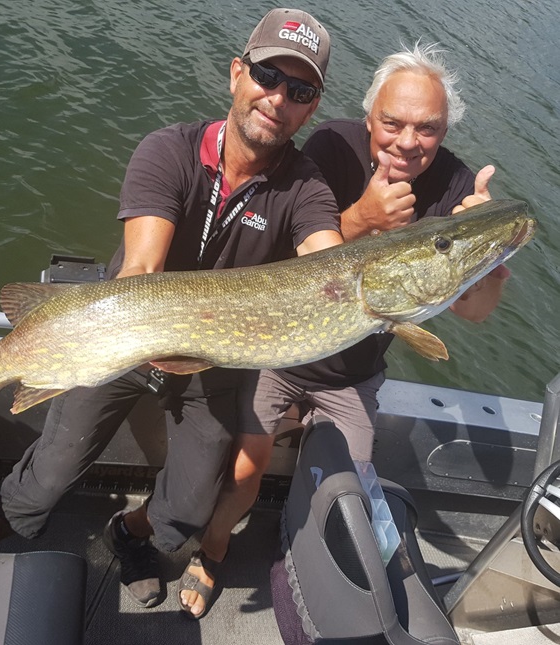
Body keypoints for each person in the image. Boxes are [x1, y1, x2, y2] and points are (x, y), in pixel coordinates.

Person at [0, 7, 344, 617]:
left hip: (210, 362)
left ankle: (129, 535)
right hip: (117, 337)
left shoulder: (307, 187)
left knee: (186, 511)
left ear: (311, 107)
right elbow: (141, 272)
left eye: (300, 90)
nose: (278, 98)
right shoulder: (170, 150)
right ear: (237, 73)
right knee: (46, 479)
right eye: (269, 75)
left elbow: (328, 262)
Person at [179, 41, 511, 617]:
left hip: (355, 372)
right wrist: (365, 219)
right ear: (368, 117)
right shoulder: (331, 146)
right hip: (278, 348)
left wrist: (488, 249)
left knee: (350, 488)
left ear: (445, 129)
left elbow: (474, 310)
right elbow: (286, 255)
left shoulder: (457, 187)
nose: (408, 142)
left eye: (427, 129)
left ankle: (302, 556)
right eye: (393, 123)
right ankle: (211, 551)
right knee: (246, 470)